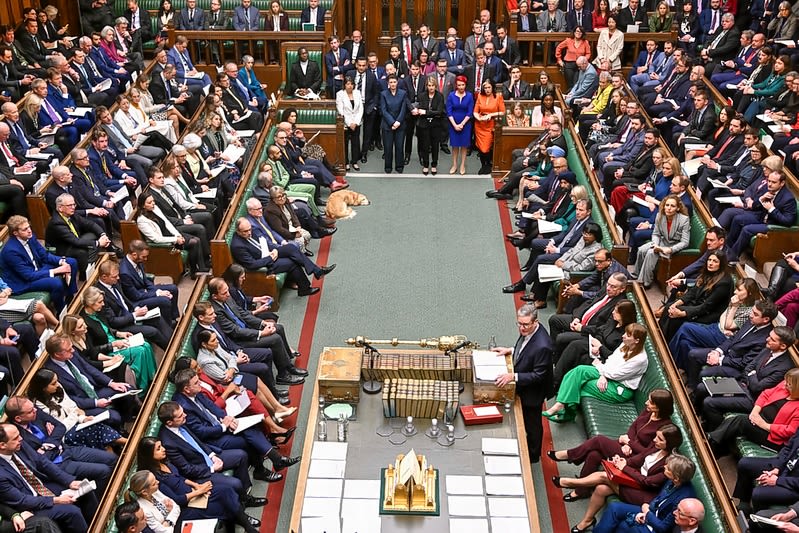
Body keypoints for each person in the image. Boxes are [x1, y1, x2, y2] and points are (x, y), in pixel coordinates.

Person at [548, 389, 674, 501]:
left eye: (651, 402)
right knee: (594, 454)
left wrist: (629, 443)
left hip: (635, 457)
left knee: (598, 440)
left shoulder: (663, 428)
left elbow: (647, 452)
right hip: (626, 446)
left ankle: (569, 456)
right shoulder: (649, 412)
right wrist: (628, 440)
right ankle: (582, 490)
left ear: (659, 407)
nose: (646, 403)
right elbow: (634, 426)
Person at [554, 425, 683, 533]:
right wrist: (624, 462)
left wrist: (624, 468)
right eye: (656, 436)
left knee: (605, 477)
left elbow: (648, 482)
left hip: (644, 493)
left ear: (669, 443)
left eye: (659, 439)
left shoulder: (670, 463)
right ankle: (587, 521)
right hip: (634, 479)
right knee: (600, 489)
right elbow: (640, 458)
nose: (655, 440)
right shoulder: (656, 447)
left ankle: (571, 483)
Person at [135, 438, 261, 532]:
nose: (163, 449)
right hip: (186, 504)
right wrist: (199, 492)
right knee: (222, 505)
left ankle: (246, 525)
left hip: (193, 492)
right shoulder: (153, 478)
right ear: (148, 455)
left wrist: (197, 485)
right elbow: (177, 500)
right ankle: (246, 524)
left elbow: (181, 478)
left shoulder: (165, 461)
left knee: (226, 490)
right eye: (158, 448)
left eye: (161, 445)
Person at [0, 424, 96, 533]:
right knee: (72, 512)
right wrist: (55, 500)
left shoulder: (18, 444)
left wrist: (69, 481)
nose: (21, 438)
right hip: (30, 506)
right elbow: (22, 500)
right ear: (2, 445)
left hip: (42, 486)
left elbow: (42, 462)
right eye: (16, 438)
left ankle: (97, 526)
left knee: (85, 489)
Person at [543, 323, 648, 423]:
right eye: (625, 333)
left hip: (620, 388)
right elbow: (611, 359)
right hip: (607, 373)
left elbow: (616, 374)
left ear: (637, 340)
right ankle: (561, 406)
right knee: (577, 371)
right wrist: (603, 375)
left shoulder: (640, 359)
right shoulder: (625, 344)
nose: (623, 336)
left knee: (580, 384)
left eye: (628, 335)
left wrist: (601, 369)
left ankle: (566, 412)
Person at [492, 305, 553, 463]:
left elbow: (538, 375)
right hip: (525, 383)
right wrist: (511, 350)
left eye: (525, 324)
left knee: (532, 424)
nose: (521, 328)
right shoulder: (529, 332)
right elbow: (525, 348)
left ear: (535, 322)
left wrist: (513, 376)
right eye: (519, 323)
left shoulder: (543, 345)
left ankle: (533, 456)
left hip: (533, 392)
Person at [592, 454, 696, 533]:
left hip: (656, 524)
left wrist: (647, 514)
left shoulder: (684, 499)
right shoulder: (671, 480)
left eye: (668, 468)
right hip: (650, 510)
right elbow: (658, 499)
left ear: (676, 477)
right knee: (614, 507)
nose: (664, 467)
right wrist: (647, 510)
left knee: (625, 525)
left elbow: (663, 527)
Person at [80, 286, 157, 391]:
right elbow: (93, 350)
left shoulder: (98, 312)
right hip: (108, 351)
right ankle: (142, 387)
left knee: (146, 345)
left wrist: (119, 333)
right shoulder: (85, 323)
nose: (103, 304)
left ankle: (153, 378)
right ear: (90, 303)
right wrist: (113, 345)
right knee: (140, 351)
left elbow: (107, 328)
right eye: (100, 302)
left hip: (116, 342)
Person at [707, 368, 799, 456]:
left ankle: (710, 444)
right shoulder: (784, 385)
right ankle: (716, 447)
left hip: (773, 436)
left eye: (789, 384)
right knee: (735, 421)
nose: (785, 385)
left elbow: (790, 431)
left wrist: (765, 425)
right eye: (786, 381)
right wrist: (755, 412)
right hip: (760, 418)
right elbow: (765, 394)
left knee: (740, 421)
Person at [553, 300, 637, 392]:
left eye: (616, 311)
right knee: (570, 343)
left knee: (576, 347)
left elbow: (615, 356)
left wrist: (600, 347)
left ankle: (555, 381)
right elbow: (600, 330)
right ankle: (558, 379)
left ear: (624, 315)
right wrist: (595, 342)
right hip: (595, 344)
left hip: (604, 358)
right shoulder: (613, 320)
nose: (613, 312)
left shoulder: (627, 334)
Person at [0, 216, 77, 313]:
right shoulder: (10, 251)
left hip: (38, 268)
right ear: (15, 233)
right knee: (56, 283)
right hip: (23, 281)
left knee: (72, 262)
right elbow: (28, 276)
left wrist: (61, 262)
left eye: (29, 227)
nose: (29, 231)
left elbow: (44, 256)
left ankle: (70, 297)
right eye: (25, 229)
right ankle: (62, 312)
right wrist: (56, 271)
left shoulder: (30, 237)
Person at [656, 250, 734, 339]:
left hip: (709, 315)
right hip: (698, 305)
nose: (710, 263)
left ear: (721, 264)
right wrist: (675, 303)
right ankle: (659, 337)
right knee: (669, 307)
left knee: (676, 318)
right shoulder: (708, 273)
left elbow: (706, 307)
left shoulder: (724, 283)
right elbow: (692, 292)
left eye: (715, 261)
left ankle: (666, 343)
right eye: (709, 260)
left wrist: (682, 313)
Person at [136, 192, 209, 278]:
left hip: (171, 234)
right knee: (194, 242)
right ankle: (196, 271)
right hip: (165, 242)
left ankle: (200, 269)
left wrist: (177, 235)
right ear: (143, 205)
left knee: (196, 240)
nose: (153, 204)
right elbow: (156, 239)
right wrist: (175, 239)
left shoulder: (155, 208)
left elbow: (167, 223)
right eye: (149, 202)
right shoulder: (141, 220)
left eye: (153, 201)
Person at [631, 194, 691, 289]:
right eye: (667, 205)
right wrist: (655, 244)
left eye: (672, 206)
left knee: (651, 253)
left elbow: (685, 242)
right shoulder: (660, 215)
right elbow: (656, 234)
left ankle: (645, 282)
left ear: (678, 208)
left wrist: (670, 249)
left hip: (673, 246)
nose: (669, 208)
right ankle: (636, 274)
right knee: (642, 249)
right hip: (662, 242)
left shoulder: (684, 220)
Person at [473, 80, 505, 175]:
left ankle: (488, 164)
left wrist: (491, 115)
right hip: (479, 124)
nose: (487, 90)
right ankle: (484, 165)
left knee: (485, 147)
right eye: (485, 88)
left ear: (492, 87)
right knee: (480, 147)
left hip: (490, 124)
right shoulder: (480, 96)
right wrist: (478, 117)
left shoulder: (498, 96)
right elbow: (475, 111)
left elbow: (502, 112)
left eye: (489, 87)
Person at [415, 76, 445, 175]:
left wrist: (426, 112)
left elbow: (439, 112)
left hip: (436, 125)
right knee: (425, 145)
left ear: (435, 86)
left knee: (435, 145)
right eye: (429, 85)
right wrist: (429, 112)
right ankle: (425, 164)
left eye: (432, 85)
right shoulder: (422, 96)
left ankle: (434, 164)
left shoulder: (440, 96)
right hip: (424, 125)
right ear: (426, 86)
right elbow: (420, 110)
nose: (431, 87)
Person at [446, 75, 474, 175]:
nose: (461, 87)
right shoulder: (451, 95)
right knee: (454, 146)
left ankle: (462, 164)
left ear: (465, 85)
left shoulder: (470, 96)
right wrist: (454, 125)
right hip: (453, 122)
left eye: (462, 85)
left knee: (464, 146)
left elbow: (470, 112)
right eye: (459, 85)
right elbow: (449, 111)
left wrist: (462, 124)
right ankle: (454, 165)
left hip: (465, 124)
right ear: (456, 85)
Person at [380, 74, 407, 174]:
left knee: (399, 147)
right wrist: (392, 122)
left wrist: (398, 122)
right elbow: (383, 110)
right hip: (387, 125)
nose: (393, 84)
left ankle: (399, 166)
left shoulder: (403, 93)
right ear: (388, 83)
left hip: (400, 124)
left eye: (394, 82)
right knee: (388, 147)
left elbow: (403, 109)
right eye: (390, 82)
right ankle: (388, 166)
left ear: (397, 82)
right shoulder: (383, 94)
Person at [336, 76, 362, 172]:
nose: (349, 86)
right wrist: (349, 123)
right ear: (344, 85)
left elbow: (360, 109)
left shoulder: (357, 93)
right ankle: (346, 162)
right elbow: (341, 110)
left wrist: (356, 122)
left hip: (356, 123)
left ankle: (354, 161)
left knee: (356, 143)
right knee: (345, 143)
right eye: (347, 84)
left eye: (351, 84)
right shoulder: (340, 94)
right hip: (346, 124)